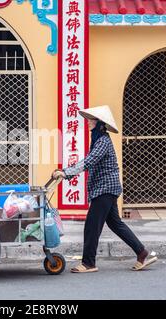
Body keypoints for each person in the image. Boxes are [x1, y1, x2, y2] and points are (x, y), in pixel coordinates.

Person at [52, 105, 158, 273]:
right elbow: (89, 160)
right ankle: (141, 252)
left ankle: (88, 263)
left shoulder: (102, 141)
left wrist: (66, 173)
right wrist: (65, 172)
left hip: (105, 189)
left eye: (91, 120)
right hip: (106, 188)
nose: (87, 122)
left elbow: (89, 161)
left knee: (91, 226)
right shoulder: (98, 140)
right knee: (116, 224)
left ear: (99, 123)